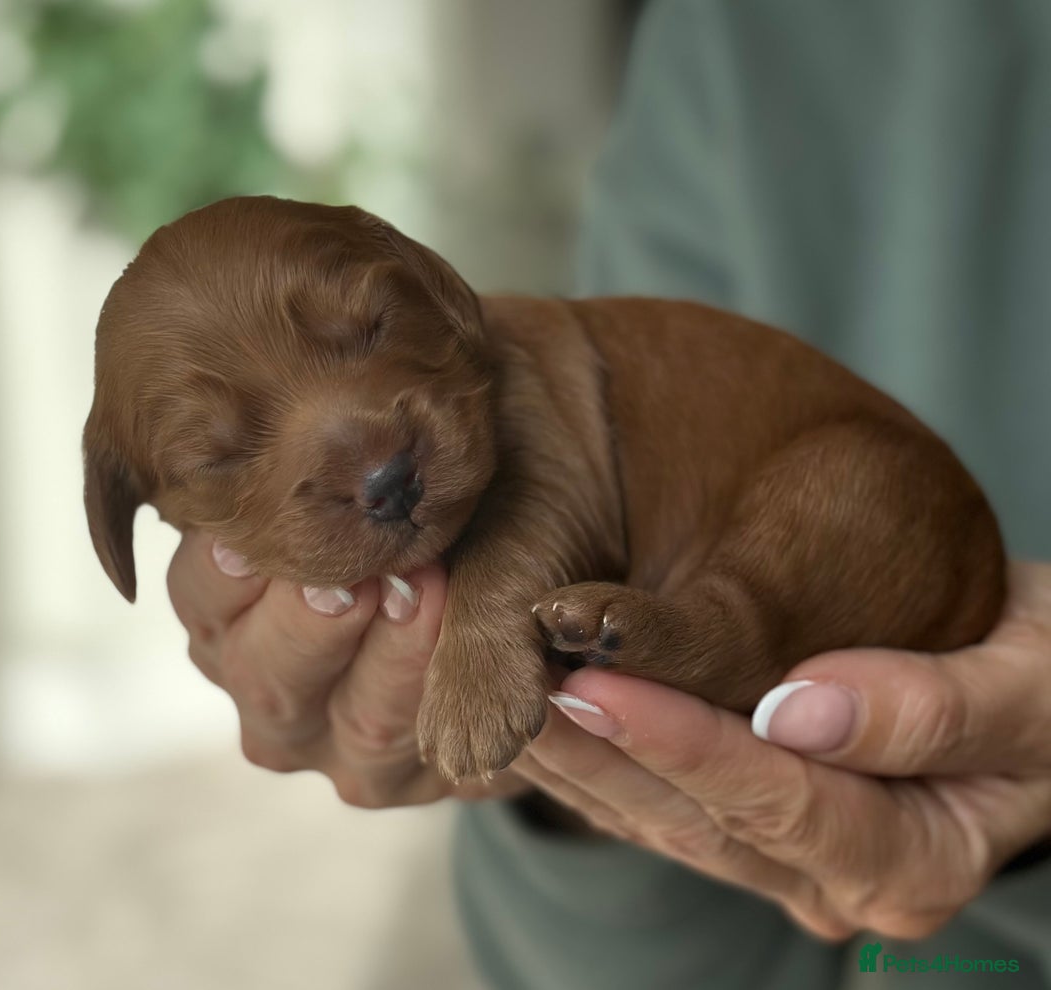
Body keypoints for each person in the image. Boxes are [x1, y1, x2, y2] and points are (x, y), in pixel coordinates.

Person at [166, 1, 1051, 987]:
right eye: (218, 457)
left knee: (815, 518)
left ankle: (719, 634)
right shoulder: (730, 39)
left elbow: (563, 492)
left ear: (433, 284)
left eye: (370, 330)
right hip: (786, 903)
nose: (370, 462)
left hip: (866, 507)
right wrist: (558, 799)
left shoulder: (515, 366)